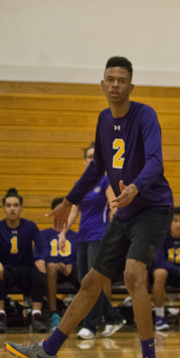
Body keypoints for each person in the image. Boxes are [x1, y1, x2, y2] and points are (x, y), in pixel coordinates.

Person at [5, 56, 174, 358]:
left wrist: (136, 188)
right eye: (109, 79)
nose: (115, 85)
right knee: (90, 281)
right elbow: (97, 167)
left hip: (154, 208)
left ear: (131, 86)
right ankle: (48, 350)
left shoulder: (145, 115)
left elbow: (156, 160)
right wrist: (69, 201)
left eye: (121, 80)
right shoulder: (102, 120)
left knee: (132, 274)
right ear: (102, 84)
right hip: (124, 212)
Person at [59, 143, 125, 340]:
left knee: (92, 281)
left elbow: (114, 207)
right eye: (88, 157)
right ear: (84, 161)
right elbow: (73, 210)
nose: (91, 160)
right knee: (83, 281)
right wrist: (63, 233)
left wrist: (118, 234)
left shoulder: (105, 181)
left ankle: (91, 324)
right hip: (83, 236)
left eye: (95, 157)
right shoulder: (81, 183)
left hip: (100, 236)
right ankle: (113, 317)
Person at [0, 188, 48, 334]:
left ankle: (36, 317)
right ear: (3, 208)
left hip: (25, 269)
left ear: (21, 208)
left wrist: (41, 260)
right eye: (8, 205)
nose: (12, 209)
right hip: (5, 269)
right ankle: (0, 317)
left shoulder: (30, 226)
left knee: (39, 275)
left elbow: (44, 246)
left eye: (15, 205)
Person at [37, 197, 80, 332]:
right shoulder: (43, 234)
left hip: (71, 270)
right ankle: (53, 314)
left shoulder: (77, 236)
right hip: (51, 271)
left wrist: (71, 264)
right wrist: (55, 263)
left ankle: (88, 315)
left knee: (86, 272)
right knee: (50, 267)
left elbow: (81, 257)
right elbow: (39, 257)